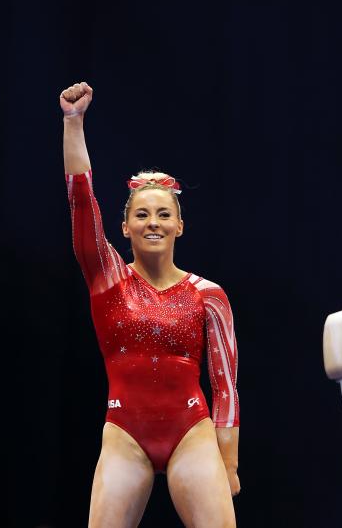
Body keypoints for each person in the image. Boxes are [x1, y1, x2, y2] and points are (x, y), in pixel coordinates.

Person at [61, 81, 240, 527]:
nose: (153, 222)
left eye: (163, 214)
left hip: (191, 433)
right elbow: (82, 202)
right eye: (141, 214)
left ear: (181, 225)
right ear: (124, 227)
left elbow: (225, 385)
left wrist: (229, 463)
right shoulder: (108, 278)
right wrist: (73, 122)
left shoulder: (209, 294)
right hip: (125, 435)